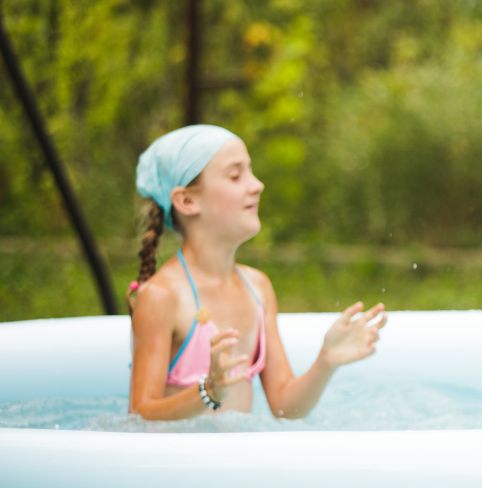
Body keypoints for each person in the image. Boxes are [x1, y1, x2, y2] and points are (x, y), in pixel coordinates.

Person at [127, 124, 387, 420]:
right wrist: (207, 392)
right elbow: (140, 415)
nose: (257, 185)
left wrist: (325, 363)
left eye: (250, 172)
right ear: (187, 200)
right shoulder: (162, 297)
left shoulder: (257, 287)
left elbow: (284, 407)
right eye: (236, 176)